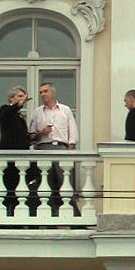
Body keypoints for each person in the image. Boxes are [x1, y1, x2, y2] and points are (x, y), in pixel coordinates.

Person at [28, 82, 79, 215]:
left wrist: (70, 150)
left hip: (61, 148)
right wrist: (42, 133)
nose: (43, 94)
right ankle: (49, 216)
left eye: (45, 91)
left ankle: (74, 216)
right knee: (46, 184)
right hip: (43, 148)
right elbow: (31, 136)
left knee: (65, 183)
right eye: (41, 92)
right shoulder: (37, 112)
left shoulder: (65, 110)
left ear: (53, 93)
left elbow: (72, 132)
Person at [0, 85, 31, 214]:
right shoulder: (5, 109)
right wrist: (18, 105)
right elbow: (7, 115)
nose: (23, 99)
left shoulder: (19, 116)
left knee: (19, 189)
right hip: (8, 158)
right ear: (12, 98)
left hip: (21, 158)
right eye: (20, 96)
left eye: (24, 96)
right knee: (7, 189)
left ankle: (17, 217)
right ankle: (5, 218)